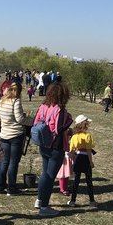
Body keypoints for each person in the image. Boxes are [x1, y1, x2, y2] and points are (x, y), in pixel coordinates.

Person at [33, 82, 73, 217]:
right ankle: (44, 207)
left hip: (43, 144)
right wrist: (69, 121)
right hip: (56, 146)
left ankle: (39, 200)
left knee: (45, 173)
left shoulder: (43, 106)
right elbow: (59, 129)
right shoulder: (60, 109)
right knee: (50, 176)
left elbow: (35, 122)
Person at [0, 83, 31, 195]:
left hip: (4, 135)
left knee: (4, 161)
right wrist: (32, 120)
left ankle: (0, 186)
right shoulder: (15, 101)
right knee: (13, 162)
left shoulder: (1, 101)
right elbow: (20, 119)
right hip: (16, 135)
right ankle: (12, 188)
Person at [67, 115, 97, 207]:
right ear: (85, 124)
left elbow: (71, 151)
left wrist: (73, 160)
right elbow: (88, 150)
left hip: (78, 159)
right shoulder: (87, 136)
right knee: (89, 180)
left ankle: (72, 201)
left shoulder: (74, 136)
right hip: (86, 159)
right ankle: (92, 201)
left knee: (76, 181)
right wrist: (91, 162)